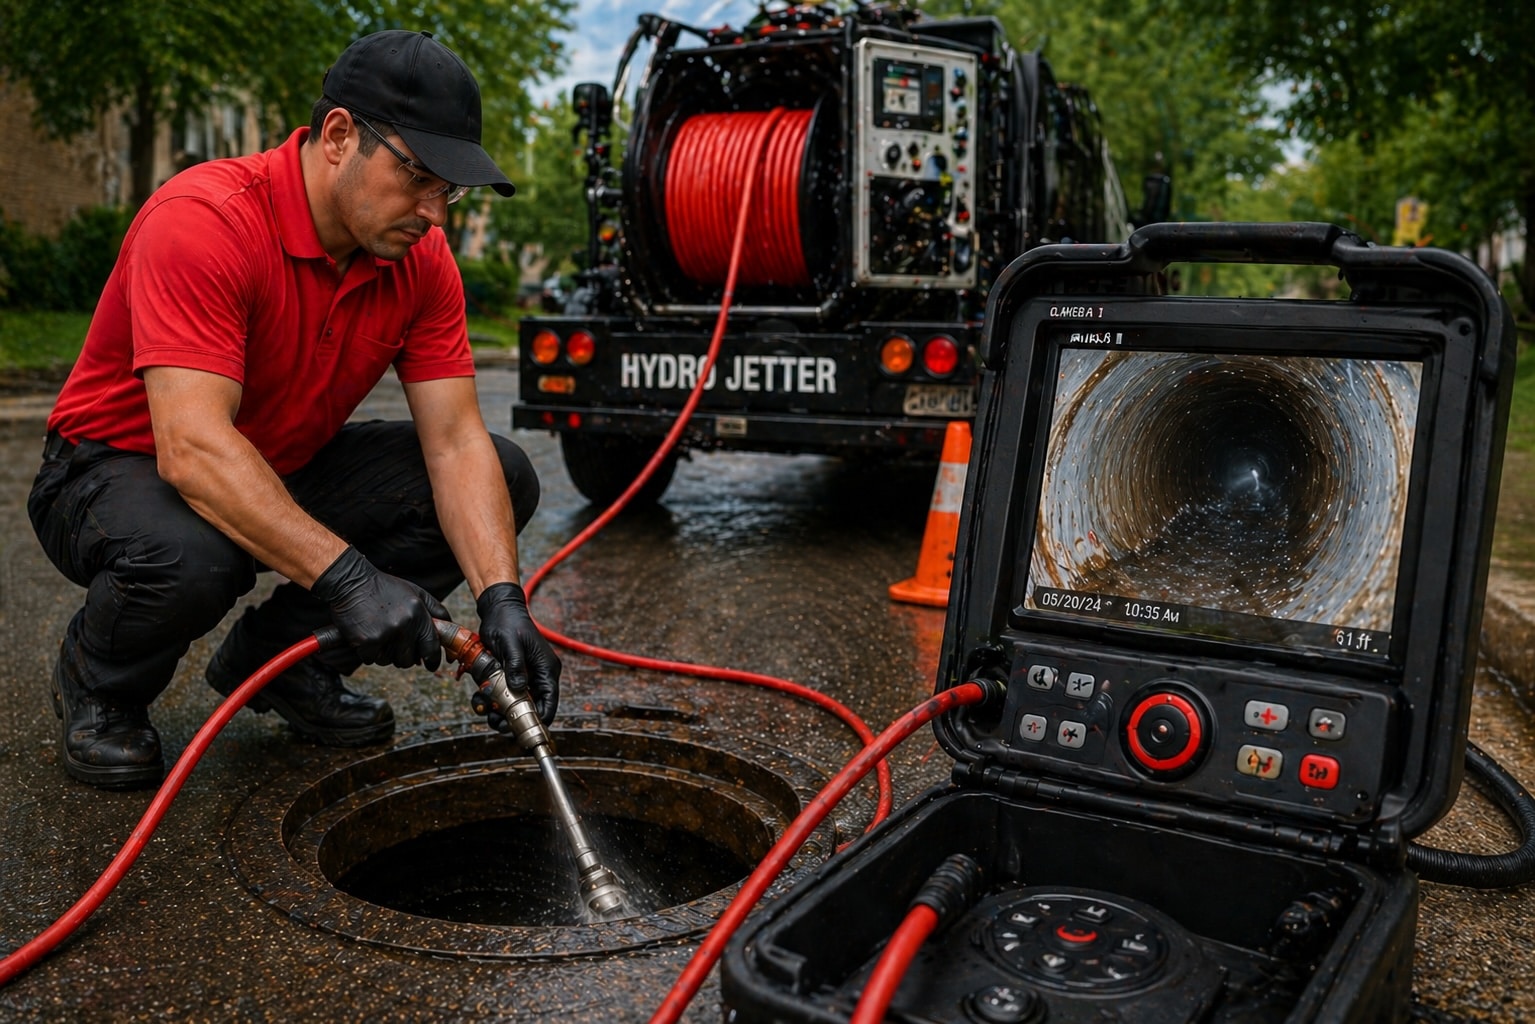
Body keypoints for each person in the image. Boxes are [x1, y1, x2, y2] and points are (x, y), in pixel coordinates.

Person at [28, 30, 561, 790]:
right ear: (339, 136)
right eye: (419, 177)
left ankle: (284, 662)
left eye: (451, 190)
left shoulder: (419, 259)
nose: (436, 214)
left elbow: (455, 442)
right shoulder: (205, 218)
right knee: (194, 555)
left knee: (504, 475)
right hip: (112, 469)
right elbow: (193, 448)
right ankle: (100, 686)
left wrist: (502, 598)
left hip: (278, 464)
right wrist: (350, 580)